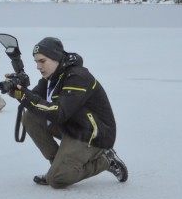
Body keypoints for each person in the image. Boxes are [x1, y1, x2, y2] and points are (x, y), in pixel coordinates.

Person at [8, 37, 128, 188]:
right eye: (36, 62)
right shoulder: (52, 77)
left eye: (42, 61)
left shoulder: (77, 77)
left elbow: (59, 113)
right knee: (31, 116)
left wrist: (26, 96)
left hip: (93, 134)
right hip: (73, 126)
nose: (38, 66)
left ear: (56, 58)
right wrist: (18, 92)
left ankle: (105, 160)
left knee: (57, 180)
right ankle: (57, 165)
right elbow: (35, 101)